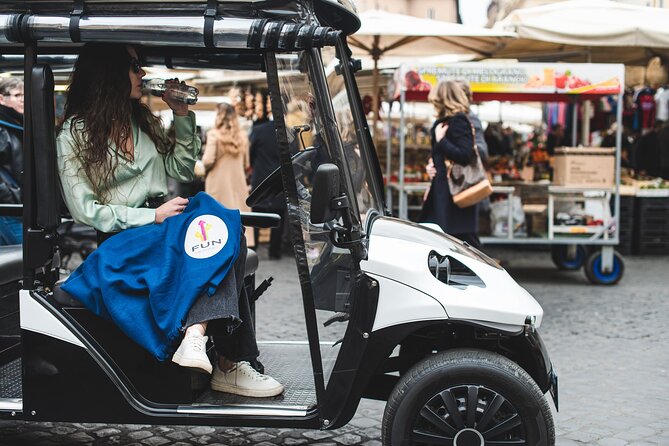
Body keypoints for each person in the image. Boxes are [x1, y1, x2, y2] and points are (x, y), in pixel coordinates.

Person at [56, 43, 282, 397]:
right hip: (124, 238)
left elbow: (179, 169)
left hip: (166, 224)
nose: (142, 74)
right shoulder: (74, 134)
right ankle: (230, 364)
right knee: (223, 236)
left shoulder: (141, 119)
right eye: (134, 66)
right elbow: (86, 209)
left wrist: (180, 114)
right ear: (107, 73)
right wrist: (151, 214)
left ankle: (196, 335)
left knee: (222, 218)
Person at [418, 80, 481, 248]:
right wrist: (431, 166)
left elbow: (465, 155)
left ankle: (480, 271)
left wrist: (442, 140)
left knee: (463, 242)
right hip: (442, 190)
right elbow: (439, 157)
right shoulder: (443, 122)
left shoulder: (459, 121)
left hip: (454, 192)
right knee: (441, 237)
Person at [202, 102, 254, 246]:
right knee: (239, 217)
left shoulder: (213, 135)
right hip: (238, 184)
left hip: (218, 184)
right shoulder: (243, 136)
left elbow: (207, 160)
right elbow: (246, 163)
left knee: (218, 219)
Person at [249, 90, 285, 259]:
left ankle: (254, 247)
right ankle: (274, 251)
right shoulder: (288, 133)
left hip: (261, 177)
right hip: (280, 181)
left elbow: (251, 154)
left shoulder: (258, 130)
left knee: (256, 214)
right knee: (278, 217)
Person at [0, 77, 24, 245]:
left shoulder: (16, 122)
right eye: (17, 95)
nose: (23, 99)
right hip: (10, 207)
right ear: (2, 98)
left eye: (24, 94)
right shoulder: (3, 126)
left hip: (19, 204)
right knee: (21, 257)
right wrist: (10, 196)